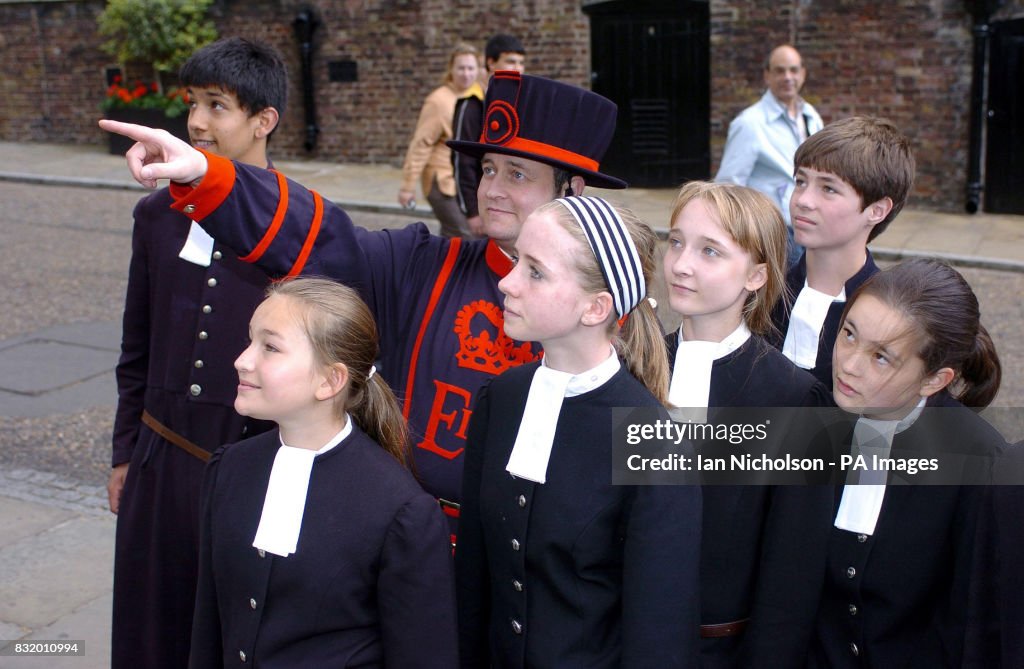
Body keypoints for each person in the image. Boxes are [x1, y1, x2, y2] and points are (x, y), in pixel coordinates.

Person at [99, 71, 628, 544]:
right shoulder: (426, 263)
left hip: (539, 575)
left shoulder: (617, 308)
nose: (490, 188)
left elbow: (657, 493)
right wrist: (206, 175)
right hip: (414, 551)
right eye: (489, 169)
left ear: (573, 188)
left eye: (517, 174)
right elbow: (323, 236)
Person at [456, 196, 701, 668]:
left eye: (536, 271)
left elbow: (659, 631)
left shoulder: (655, 442)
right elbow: (474, 575)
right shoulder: (500, 400)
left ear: (596, 307)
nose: (507, 282)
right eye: (515, 262)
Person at [107, 37, 286, 669]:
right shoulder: (156, 216)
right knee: (149, 625)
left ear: (263, 121)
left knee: (229, 630)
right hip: (160, 458)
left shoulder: (295, 227)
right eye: (194, 103)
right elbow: (137, 347)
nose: (197, 121)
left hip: (245, 458)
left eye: (218, 105)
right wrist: (125, 453)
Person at [190, 277, 457, 667]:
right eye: (250, 340)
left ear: (330, 380)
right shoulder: (230, 467)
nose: (242, 360)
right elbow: (209, 624)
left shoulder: (401, 512)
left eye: (270, 347)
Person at [662, 181, 831, 666]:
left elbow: (791, 573)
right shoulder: (635, 368)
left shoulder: (793, 400)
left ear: (756, 275)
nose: (681, 264)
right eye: (676, 241)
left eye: (710, 251)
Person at [807, 258, 1004, 668]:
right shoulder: (809, 417)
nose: (849, 363)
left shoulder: (978, 463)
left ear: (935, 379)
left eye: (882, 357)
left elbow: (972, 624)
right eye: (848, 334)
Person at [771, 115, 915, 387]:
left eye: (828, 188)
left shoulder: (891, 316)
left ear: (876, 210)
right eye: (801, 181)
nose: (803, 200)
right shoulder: (763, 295)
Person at [715, 44, 824, 267]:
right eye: (779, 71)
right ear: (767, 76)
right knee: (781, 300)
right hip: (776, 234)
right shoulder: (750, 124)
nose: (787, 77)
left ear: (803, 73)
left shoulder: (810, 116)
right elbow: (728, 187)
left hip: (810, 226)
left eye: (793, 70)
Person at [397, 42, 480, 238]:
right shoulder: (438, 101)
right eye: (461, 68)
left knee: (454, 237)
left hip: (464, 182)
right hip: (441, 180)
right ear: (451, 69)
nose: (466, 73)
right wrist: (407, 186)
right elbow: (421, 144)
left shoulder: (478, 97)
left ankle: (438, 266)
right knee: (464, 234)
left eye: (471, 68)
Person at [451, 34, 526, 236]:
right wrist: (472, 212)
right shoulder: (473, 103)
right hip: (483, 202)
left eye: (521, 63)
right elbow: (462, 161)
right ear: (491, 63)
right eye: (510, 62)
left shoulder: (515, 101)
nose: (517, 68)